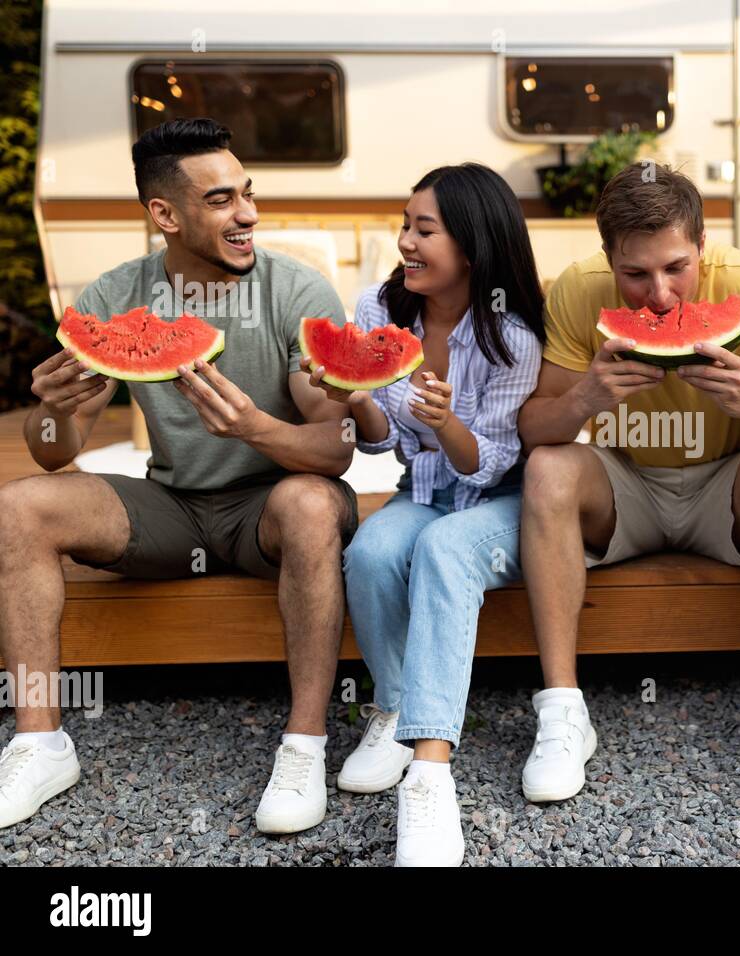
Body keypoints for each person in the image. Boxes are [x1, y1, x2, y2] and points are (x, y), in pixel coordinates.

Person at [0, 118, 358, 834]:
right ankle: (40, 740)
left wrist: (256, 427)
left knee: (313, 505)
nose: (247, 214)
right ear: (165, 214)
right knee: (18, 509)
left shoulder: (297, 290)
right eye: (222, 200)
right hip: (171, 505)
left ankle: (305, 742)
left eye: (247, 195)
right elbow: (51, 451)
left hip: (272, 505)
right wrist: (51, 411)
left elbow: (337, 447)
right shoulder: (113, 296)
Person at [516, 162, 740, 801]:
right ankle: (563, 711)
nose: (660, 298)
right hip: (625, 487)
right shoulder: (575, 289)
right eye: (635, 274)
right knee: (547, 468)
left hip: (724, 492)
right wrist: (584, 397)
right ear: (606, 258)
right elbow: (535, 429)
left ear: (703, 245)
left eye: (677, 267)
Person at [313, 164, 544, 867]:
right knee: (372, 552)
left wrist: (446, 424)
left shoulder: (513, 338)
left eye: (424, 229)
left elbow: (490, 463)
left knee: (445, 546)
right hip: (423, 492)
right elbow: (380, 437)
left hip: (503, 504)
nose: (405, 242)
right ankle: (393, 706)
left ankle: (429, 774)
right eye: (405, 225)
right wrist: (352, 394)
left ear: (471, 246)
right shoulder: (379, 310)